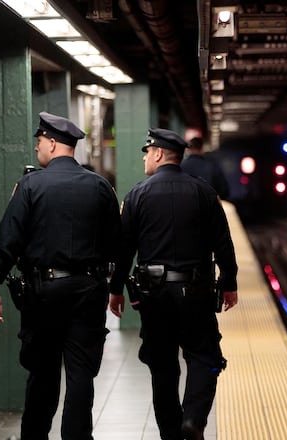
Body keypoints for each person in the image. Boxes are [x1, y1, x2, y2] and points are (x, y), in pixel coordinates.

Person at [0, 112, 122, 440]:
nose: (37, 149)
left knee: (43, 375)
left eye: (40, 142)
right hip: (89, 290)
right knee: (81, 377)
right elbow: (117, 244)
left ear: (53, 143)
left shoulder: (31, 185)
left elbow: (9, 241)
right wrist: (112, 285)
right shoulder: (101, 187)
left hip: (43, 293)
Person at [108, 128, 239, 440]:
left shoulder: (137, 195)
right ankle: (193, 419)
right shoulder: (204, 192)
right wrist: (230, 282)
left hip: (154, 295)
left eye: (146, 153)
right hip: (197, 292)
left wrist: (114, 290)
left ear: (157, 154)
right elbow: (223, 243)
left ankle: (171, 432)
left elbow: (124, 248)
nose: (144, 159)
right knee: (204, 357)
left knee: (162, 364)